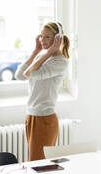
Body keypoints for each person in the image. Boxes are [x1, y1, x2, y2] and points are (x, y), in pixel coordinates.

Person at [15, 22, 70, 161]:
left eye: (47, 37)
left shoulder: (60, 62)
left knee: (38, 164)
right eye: (41, 36)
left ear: (57, 39)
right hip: (31, 116)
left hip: (44, 119)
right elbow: (19, 75)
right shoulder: (41, 57)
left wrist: (50, 52)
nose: (42, 40)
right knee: (34, 162)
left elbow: (29, 74)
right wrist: (36, 52)